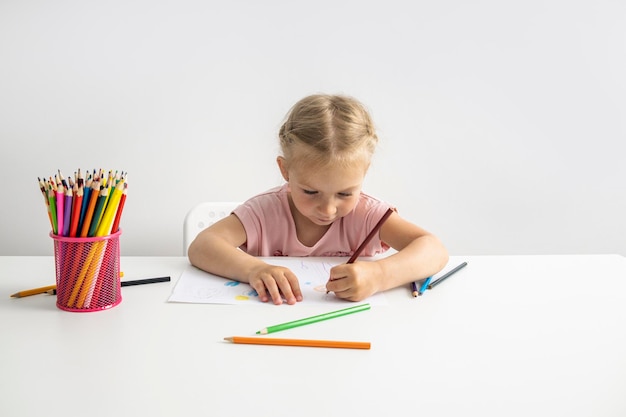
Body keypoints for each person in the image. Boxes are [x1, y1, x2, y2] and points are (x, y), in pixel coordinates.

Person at [188, 94, 448, 305]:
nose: (328, 208)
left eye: (345, 193)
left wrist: (379, 276)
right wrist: (253, 270)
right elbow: (203, 245)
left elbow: (434, 250)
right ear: (285, 170)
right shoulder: (264, 212)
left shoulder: (369, 214)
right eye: (311, 192)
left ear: (364, 173)